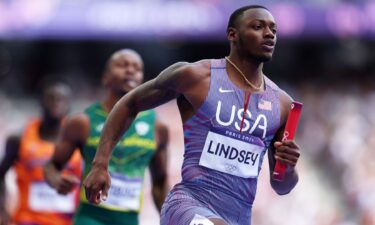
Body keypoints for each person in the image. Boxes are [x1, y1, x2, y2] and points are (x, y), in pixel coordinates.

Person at [84, 5, 301, 225]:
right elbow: (129, 103)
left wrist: (289, 167)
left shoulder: (282, 103)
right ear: (232, 34)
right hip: (187, 205)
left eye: (274, 29)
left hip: (239, 218)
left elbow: (282, 186)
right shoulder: (196, 76)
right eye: (258, 26)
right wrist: (100, 164)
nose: (269, 34)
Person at [43, 49, 169, 225]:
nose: (130, 70)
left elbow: (160, 182)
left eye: (137, 68)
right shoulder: (82, 122)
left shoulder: (157, 128)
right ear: (105, 77)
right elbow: (51, 166)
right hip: (90, 218)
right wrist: (57, 180)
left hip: (130, 220)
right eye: (122, 65)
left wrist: (170, 218)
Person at [0, 82, 82, 225]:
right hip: (28, 220)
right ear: (41, 102)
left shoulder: (77, 139)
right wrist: (2, 208)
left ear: (69, 106)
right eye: (51, 98)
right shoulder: (19, 138)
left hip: (66, 221)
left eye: (62, 99)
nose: (56, 103)